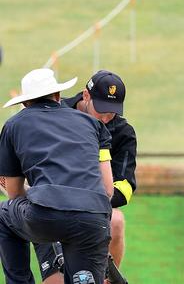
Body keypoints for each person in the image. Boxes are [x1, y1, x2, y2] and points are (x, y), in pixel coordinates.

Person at [0, 68, 113, 284]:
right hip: (94, 218)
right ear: (59, 96)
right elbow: (108, 189)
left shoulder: (14, 125)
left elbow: (14, 193)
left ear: (24, 103)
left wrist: (36, 194)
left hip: (46, 214)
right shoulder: (92, 124)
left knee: (3, 215)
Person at [34, 70, 136, 284]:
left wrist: (90, 200)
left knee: (116, 220)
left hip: (95, 207)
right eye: (102, 111)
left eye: (112, 112)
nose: (107, 118)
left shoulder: (124, 132)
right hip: (51, 201)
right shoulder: (56, 113)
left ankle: (106, 278)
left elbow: (125, 186)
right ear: (86, 96)